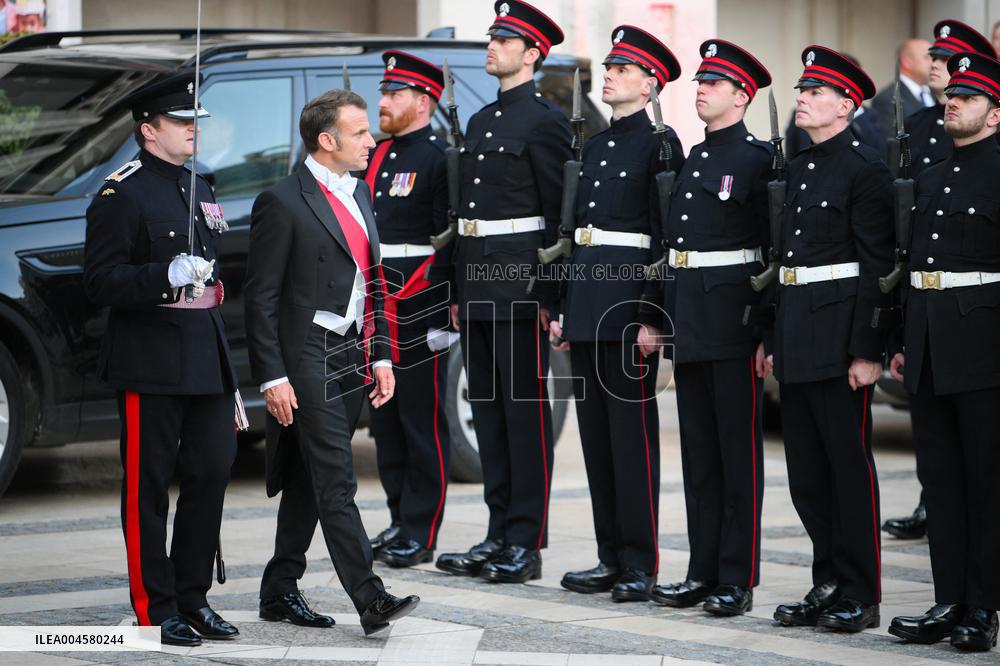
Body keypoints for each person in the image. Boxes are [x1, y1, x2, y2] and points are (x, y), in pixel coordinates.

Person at [245, 89, 419, 636]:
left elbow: (374, 281)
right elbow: (261, 298)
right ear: (328, 140)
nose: (372, 140)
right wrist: (273, 376)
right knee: (337, 480)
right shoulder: (282, 201)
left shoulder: (361, 193)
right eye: (361, 132)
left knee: (308, 478)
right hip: (306, 355)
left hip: (351, 353)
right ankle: (370, 598)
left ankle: (278, 589)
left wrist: (383, 354)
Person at [83, 72, 239, 646]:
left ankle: (194, 596)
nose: (192, 129)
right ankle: (156, 604)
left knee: (213, 473)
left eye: (195, 119)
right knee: (148, 487)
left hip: (204, 349)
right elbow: (98, 282)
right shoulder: (119, 193)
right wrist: (162, 276)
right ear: (149, 131)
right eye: (180, 121)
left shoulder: (204, 184)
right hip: (149, 357)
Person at [435, 0, 572, 584]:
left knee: (523, 416)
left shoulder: (547, 121)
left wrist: (550, 298)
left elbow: (557, 219)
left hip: (521, 287)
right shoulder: (483, 120)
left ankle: (526, 540)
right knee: (488, 414)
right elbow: (469, 216)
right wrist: (459, 290)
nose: (491, 47)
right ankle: (497, 532)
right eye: (491, 37)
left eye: (504, 40)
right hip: (479, 285)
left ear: (532, 53)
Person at [762, 46, 893, 633]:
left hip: (839, 337)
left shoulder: (865, 170)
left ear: (846, 105)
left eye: (815, 93)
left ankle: (860, 591)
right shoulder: (795, 168)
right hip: (795, 332)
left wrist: (868, 349)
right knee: (806, 473)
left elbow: (875, 265)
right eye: (801, 91)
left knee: (847, 467)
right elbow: (782, 262)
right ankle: (828, 580)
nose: (802, 100)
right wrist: (770, 336)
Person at [552, 25, 682, 603]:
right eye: (609, 68)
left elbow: (664, 236)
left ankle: (640, 562)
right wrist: (560, 306)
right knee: (597, 440)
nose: (609, 76)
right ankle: (609, 555)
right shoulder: (596, 144)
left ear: (650, 84)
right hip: (586, 300)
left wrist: (653, 315)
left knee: (632, 442)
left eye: (623, 70)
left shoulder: (660, 144)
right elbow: (571, 234)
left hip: (628, 303)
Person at [649, 39, 771, 617]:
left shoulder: (760, 160)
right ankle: (701, 569)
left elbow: (771, 255)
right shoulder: (695, 157)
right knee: (698, 455)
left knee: (736, 456)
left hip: (734, 325)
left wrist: (764, 332)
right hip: (692, 321)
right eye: (699, 82)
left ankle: (735, 577)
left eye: (713, 84)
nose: (700, 90)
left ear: (742, 96)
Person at [887, 50, 1000, 653]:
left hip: (983, 347)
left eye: (967, 98)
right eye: (949, 95)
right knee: (942, 480)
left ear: (995, 114)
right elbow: (914, 270)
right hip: (929, 343)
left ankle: (983, 606)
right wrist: (904, 342)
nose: (951, 102)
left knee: (986, 481)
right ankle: (948, 597)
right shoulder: (930, 175)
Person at [365, 50, 454, 568]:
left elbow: (443, 243)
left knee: (421, 420)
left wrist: (434, 305)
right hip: (378, 307)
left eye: (394, 94)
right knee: (387, 421)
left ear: (422, 102)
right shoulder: (377, 156)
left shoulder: (439, 158)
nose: (383, 102)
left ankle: (422, 529)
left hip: (419, 306)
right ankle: (399, 517)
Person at [871, 38, 933, 140]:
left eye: (934, 58)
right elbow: (893, 144)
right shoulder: (887, 99)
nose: (933, 63)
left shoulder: (939, 93)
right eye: (927, 57)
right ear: (907, 62)